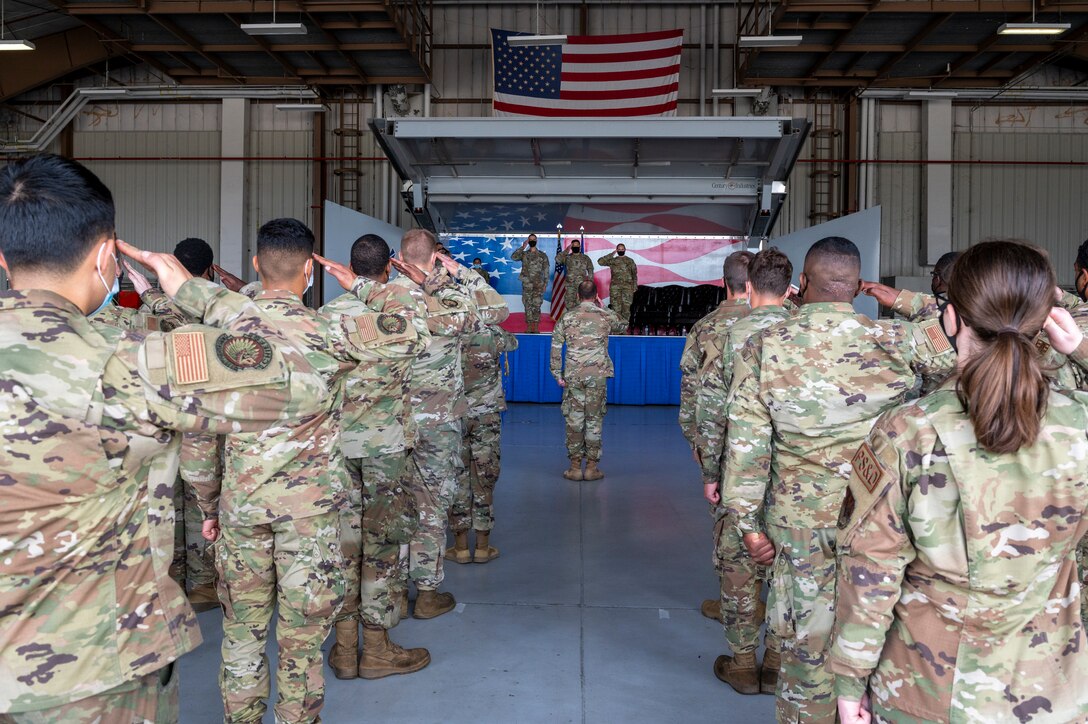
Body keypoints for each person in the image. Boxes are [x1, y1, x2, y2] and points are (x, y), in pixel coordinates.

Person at [0, 154, 330, 721]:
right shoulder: (135, 366)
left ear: (4, 260)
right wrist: (201, 295)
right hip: (93, 672)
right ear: (107, 254)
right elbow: (301, 378)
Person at [830, 240, 1088, 723]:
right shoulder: (1079, 426)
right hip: (1052, 692)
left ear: (951, 320)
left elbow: (871, 573)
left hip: (926, 691)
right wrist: (1081, 350)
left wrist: (850, 683)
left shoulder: (907, 431)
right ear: (1047, 324)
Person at [194, 218, 423, 723]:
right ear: (311, 274)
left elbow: (197, 434)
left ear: (256, 265)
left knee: (241, 636)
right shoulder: (331, 330)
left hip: (241, 512)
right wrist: (361, 283)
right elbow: (413, 330)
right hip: (310, 516)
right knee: (301, 641)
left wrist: (210, 505)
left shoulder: (217, 341)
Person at [723, 236, 956, 722]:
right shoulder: (897, 341)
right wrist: (906, 302)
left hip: (798, 525)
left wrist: (747, 524)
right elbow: (968, 322)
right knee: (879, 636)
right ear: (856, 288)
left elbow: (747, 446)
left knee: (806, 651)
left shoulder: (762, 345)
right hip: (882, 522)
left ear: (802, 283)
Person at [319, 234, 432, 680]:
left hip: (337, 448)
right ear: (388, 270)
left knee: (343, 548)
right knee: (382, 548)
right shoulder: (401, 311)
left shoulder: (327, 316)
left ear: (348, 268)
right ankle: (378, 650)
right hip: (384, 448)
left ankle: (345, 651)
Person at [392, 229, 509, 620]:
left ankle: (387, 597)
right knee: (430, 505)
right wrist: (462, 273)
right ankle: (426, 594)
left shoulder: (380, 297)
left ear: (399, 256)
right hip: (439, 420)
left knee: (386, 506)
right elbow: (497, 315)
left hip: (388, 422)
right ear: (436, 259)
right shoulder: (453, 302)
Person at [697, 249, 793, 696]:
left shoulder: (731, 336)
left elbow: (711, 413)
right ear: (790, 287)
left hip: (743, 472)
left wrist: (711, 472)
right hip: (800, 480)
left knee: (739, 565)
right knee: (787, 570)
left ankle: (741, 664)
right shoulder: (807, 331)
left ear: (748, 287)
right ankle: (776, 662)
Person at [446, 323, 518, 563]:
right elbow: (513, 343)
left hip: (455, 414)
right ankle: (483, 546)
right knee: (484, 478)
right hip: (486, 415)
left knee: (458, 477)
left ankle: (461, 547)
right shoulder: (493, 333)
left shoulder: (448, 330)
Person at [679, 250, 753, 469]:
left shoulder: (702, 328)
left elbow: (689, 388)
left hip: (715, 438)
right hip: (762, 441)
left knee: (719, 497)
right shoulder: (773, 324)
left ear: (723, 282)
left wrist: (696, 441)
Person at [550, 280, 627, 481]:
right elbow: (623, 325)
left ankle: (575, 468)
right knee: (594, 420)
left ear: (577, 296)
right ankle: (592, 468)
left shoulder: (567, 317)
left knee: (574, 420)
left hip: (573, 376)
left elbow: (556, 347)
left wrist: (557, 374)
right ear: (596, 296)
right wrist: (605, 308)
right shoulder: (603, 316)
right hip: (597, 375)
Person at [511, 233, 549, 333]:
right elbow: (514, 257)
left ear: (536, 241)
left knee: (537, 305)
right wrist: (523, 246)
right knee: (527, 305)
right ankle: (528, 326)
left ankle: (535, 326)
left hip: (538, 284)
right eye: (530, 239)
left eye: (533, 239)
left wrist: (545, 284)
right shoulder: (524, 254)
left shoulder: (542, 255)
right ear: (528, 241)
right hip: (527, 284)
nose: (532, 241)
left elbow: (546, 270)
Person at [597, 243, 638, 328]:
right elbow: (600, 261)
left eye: (622, 249)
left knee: (626, 309)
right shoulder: (613, 261)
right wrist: (612, 253)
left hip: (628, 288)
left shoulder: (630, 261)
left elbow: (634, 274)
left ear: (625, 250)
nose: (621, 251)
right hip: (615, 288)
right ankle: (617, 327)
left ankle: (625, 327)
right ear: (617, 250)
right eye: (619, 249)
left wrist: (634, 286)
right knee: (616, 309)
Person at [554, 238, 594, 318]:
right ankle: (571, 322)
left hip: (582, 286)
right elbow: (557, 259)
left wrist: (589, 282)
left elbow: (590, 269)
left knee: (581, 304)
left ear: (579, 246)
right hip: (570, 285)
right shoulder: (567, 257)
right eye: (573, 246)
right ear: (571, 247)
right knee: (569, 304)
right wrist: (567, 249)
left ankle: (580, 322)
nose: (575, 247)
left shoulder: (585, 258)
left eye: (577, 245)